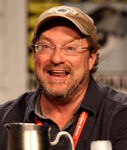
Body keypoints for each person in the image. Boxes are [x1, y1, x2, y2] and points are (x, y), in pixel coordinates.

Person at [0, 5, 127, 150]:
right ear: (34, 55)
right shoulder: (4, 119)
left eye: (70, 48)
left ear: (91, 58)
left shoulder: (121, 116)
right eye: (46, 46)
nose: (56, 58)